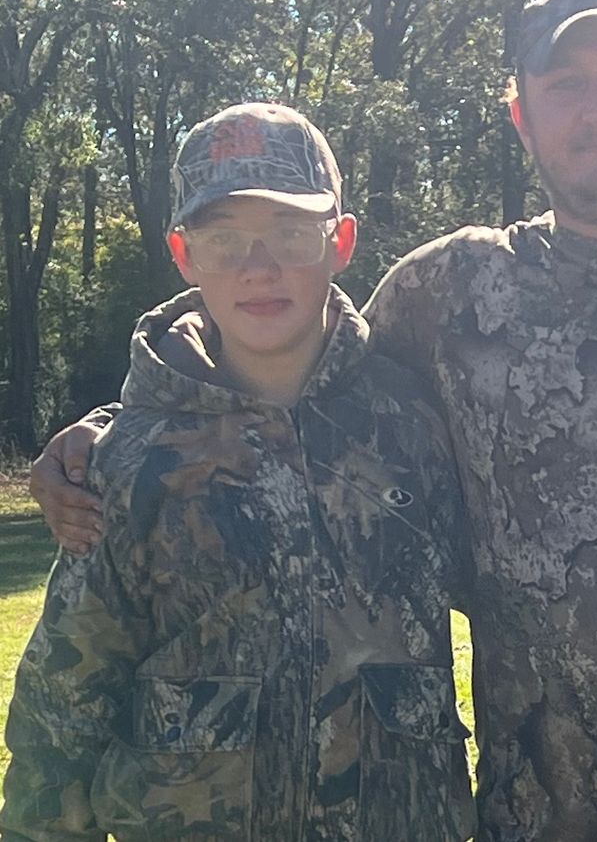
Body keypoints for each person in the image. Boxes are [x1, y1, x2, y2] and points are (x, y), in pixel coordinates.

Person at [29, 0, 597, 840]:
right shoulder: (452, 290)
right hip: (537, 824)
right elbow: (290, 381)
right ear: (521, 116)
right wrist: (119, 432)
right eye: (567, 84)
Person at [2, 103, 475, 840]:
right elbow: (62, 714)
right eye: (224, 240)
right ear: (184, 255)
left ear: (341, 242)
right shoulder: (128, 460)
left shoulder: (416, 424)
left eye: (291, 233)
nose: (259, 267)